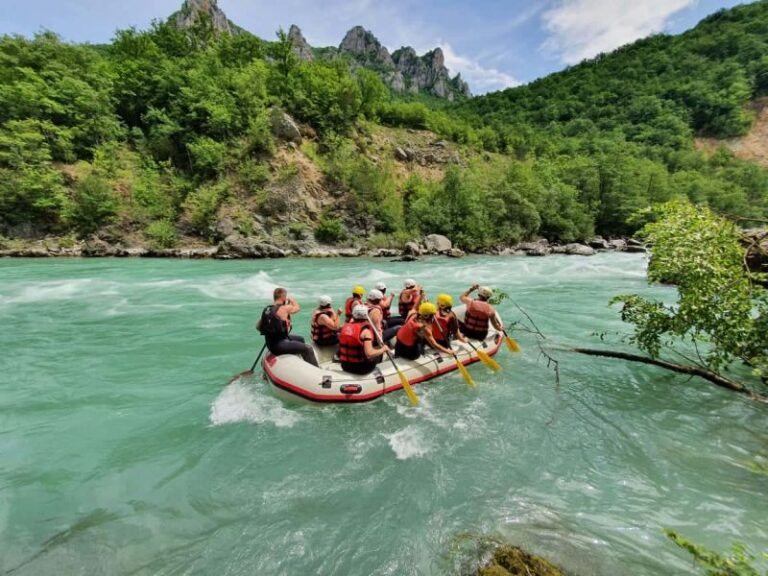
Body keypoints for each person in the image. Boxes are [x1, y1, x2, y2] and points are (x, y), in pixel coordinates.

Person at [257, 287, 319, 366]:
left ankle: (300, 362)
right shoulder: (284, 308)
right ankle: (315, 369)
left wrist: (272, 332)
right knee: (308, 349)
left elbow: (258, 327)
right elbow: (297, 308)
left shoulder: (267, 310)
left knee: (300, 339)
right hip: (279, 345)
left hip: (270, 344)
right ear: (283, 297)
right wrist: (292, 300)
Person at [338, 304, 391, 374]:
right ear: (366, 315)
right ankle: (378, 368)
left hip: (344, 365)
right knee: (379, 349)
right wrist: (383, 349)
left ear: (353, 315)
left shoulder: (345, 327)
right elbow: (369, 354)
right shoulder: (365, 332)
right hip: (361, 368)